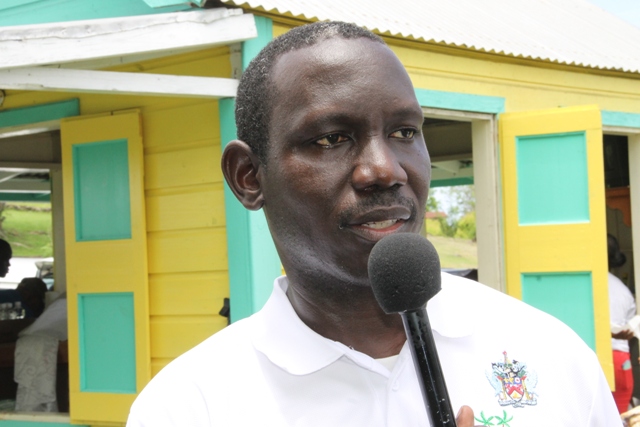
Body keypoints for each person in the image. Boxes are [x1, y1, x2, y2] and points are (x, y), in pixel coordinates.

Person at [127, 21, 619, 426]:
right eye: (331, 139)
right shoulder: (189, 406)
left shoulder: (547, 352)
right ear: (248, 176)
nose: (385, 169)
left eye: (405, 132)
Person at [608, 233, 637, 413]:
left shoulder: (584, 283)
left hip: (596, 354)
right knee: (619, 417)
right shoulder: (623, 289)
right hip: (621, 360)